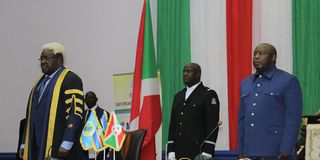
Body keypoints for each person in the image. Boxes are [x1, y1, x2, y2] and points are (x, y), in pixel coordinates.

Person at [19, 42, 85, 160]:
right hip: (35, 145)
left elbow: (75, 113)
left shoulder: (71, 79)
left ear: (59, 60)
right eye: (41, 58)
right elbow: (30, 116)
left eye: (46, 58)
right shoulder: (39, 83)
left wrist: (67, 142)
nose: (43, 62)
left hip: (58, 145)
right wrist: (24, 143)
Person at [238, 43, 303, 160]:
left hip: (275, 151)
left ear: (273, 58)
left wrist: (286, 150)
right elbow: (242, 119)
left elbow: (293, 119)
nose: (256, 57)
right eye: (255, 54)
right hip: (249, 151)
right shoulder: (245, 83)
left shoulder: (288, 81)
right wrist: (241, 150)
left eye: (261, 53)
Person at [167, 63, 220, 160]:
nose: (185, 74)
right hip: (178, 152)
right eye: (184, 71)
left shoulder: (208, 94)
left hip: (198, 152)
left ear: (198, 74)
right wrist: (171, 151)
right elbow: (172, 126)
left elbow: (212, 126)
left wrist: (207, 153)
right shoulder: (178, 96)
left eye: (188, 71)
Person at [82, 91, 111, 160]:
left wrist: (101, 155)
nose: (89, 100)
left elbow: (107, 135)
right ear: (84, 100)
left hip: (99, 154)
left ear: (96, 99)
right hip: (84, 154)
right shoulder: (82, 114)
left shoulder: (104, 114)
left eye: (91, 98)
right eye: (87, 98)